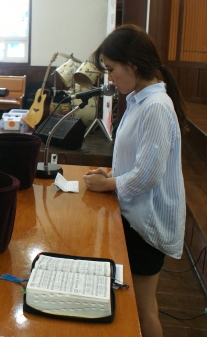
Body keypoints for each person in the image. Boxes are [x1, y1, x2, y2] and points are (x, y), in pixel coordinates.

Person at [83, 24, 187, 337]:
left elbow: (149, 174)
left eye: (111, 69)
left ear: (133, 65)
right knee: (135, 303)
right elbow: (135, 162)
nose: (110, 78)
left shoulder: (155, 106)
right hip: (133, 214)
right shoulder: (139, 99)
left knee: (143, 309)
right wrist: (110, 175)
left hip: (146, 221)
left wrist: (107, 185)